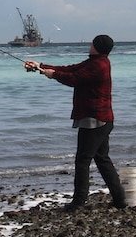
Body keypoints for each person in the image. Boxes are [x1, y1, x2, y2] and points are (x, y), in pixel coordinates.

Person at [24, 34, 126, 210]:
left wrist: (53, 74)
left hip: (95, 119)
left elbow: (74, 79)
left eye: (92, 43)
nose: (90, 44)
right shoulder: (95, 61)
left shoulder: (98, 65)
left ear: (97, 46)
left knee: (82, 161)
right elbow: (71, 69)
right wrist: (40, 66)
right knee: (102, 159)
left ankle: (78, 202)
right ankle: (119, 200)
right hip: (101, 118)